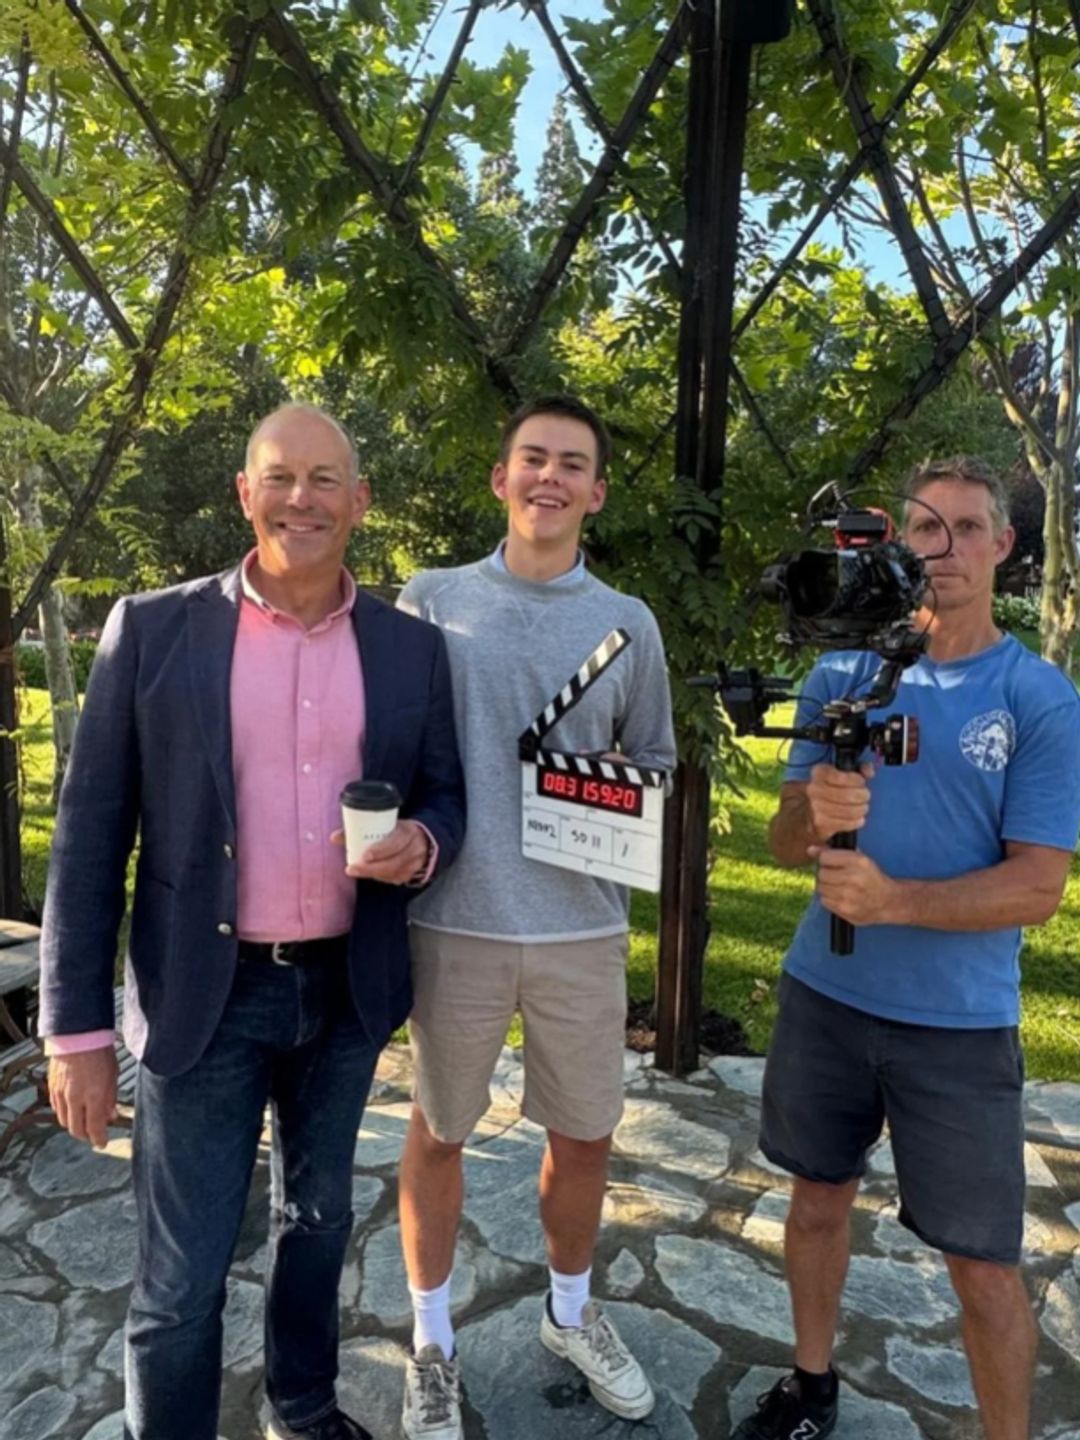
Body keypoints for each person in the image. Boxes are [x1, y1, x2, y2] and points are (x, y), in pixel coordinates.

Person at [40, 403, 466, 1440]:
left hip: (345, 991)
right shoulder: (154, 628)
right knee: (183, 1271)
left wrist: (425, 844)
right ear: (245, 492)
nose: (302, 498)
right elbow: (90, 833)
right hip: (203, 995)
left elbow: (447, 794)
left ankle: (303, 1403)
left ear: (360, 503)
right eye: (281, 476)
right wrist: (78, 1030)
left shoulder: (412, 649)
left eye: (326, 479)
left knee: (316, 1222)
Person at [733, 456, 1080, 1440]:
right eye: (927, 528)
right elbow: (787, 843)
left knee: (981, 1264)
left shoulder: (1038, 699)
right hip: (826, 996)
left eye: (970, 528)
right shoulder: (843, 671)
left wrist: (891, 900)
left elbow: (1039, 886)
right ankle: (811, 1385)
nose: (946, 548)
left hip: (960, 1027)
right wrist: (815, 813)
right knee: (814, 1203)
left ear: (1006, 546)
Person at [394, 395, 677, 1439]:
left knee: (587, 1136)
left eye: (572, 465)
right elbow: (390, 744)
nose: (549, 477)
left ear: (596, 492)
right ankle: (432, 1340)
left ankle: (570, 1312)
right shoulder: (428, 601)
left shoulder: (628, 622)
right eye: (532, 459)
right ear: (500, 480)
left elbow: (655, 766)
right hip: (454, 920)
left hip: (580, 928)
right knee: (437, 1131)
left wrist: (599, 786)